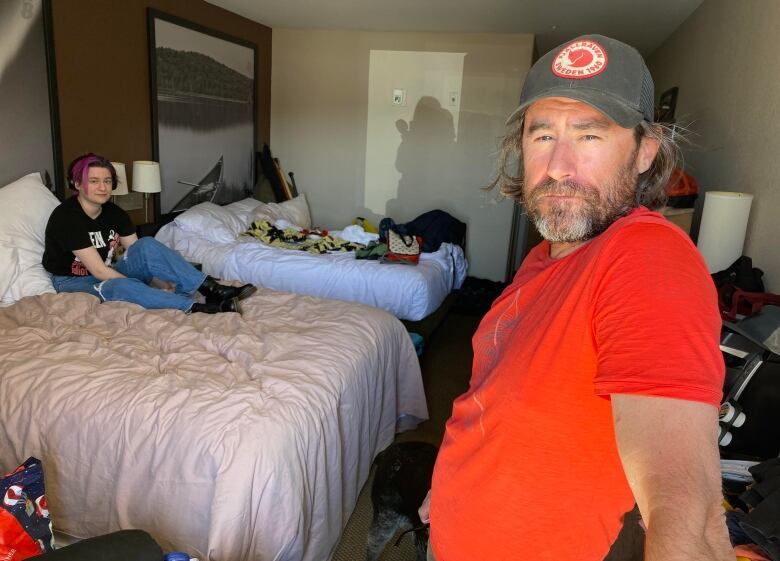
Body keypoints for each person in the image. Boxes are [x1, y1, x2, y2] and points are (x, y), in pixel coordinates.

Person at [421, 35, 732, 560]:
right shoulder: (546, 257)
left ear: (644, 152)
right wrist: (448, 485)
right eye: (542, 135)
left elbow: (686, 509)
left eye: (589, 135)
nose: (559, 165)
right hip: (455, 529)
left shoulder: (647, 258)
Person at [42, 153, 256, 314]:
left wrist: (160, 283)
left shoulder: (114, 212)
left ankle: (212, 288)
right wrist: (142, 286)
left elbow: (141, 256)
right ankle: (197, 308)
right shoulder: (67, 218)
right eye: (94, 181)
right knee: (122, 285)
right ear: (77, 183)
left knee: (146, 244)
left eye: (107, 181)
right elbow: (99, 271)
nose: (103, 187)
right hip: (72, 281)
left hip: (108, 270)